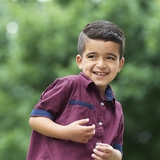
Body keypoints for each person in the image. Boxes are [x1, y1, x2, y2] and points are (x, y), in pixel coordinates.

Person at [26, 20, 125, 160]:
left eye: (110, 58)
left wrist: (114, 155)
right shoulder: (70, 85)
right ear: (80, 61)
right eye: (92, 56)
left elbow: (118, 148)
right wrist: (66, 132)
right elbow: (36, 120)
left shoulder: (117, 109)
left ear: (120, 64)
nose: (101, 64)